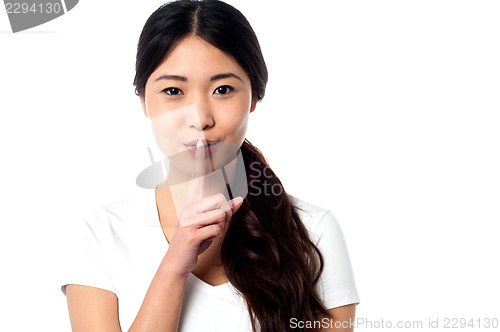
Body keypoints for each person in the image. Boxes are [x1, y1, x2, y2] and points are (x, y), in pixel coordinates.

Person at [61, 1, 360, 331]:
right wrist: (176, 262)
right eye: (173, 90)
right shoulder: (102, 234)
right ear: (144, 101)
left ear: (254, 97)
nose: (200, 119)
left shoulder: (312, 230)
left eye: (223, 89)